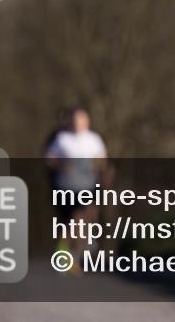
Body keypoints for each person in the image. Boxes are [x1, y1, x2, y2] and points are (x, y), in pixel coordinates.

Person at [44, 106, 110, 270]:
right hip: (67, 185)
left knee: (83, 216)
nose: (79, 123)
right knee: (71, 221)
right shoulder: (62, 138)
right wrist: (61, 164)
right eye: (76, 119)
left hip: (88, 184)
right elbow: (49, 159)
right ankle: (67, 250)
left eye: (82, 119)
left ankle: (77, 252)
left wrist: (100, 168)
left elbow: (102, 160)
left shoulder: (94, 139)